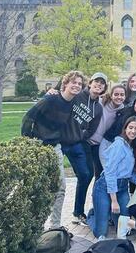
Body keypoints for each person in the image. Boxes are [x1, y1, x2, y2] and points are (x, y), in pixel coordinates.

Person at [21, 70, 83, 228]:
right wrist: (28, 142)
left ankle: (55, 226)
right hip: (38, 147)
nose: (76, 86)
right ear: (65, 83)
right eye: (73, 82)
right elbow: (28, 118)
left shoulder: (73, 103)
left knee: (61, 187)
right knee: (37, 187)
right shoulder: (50, 99)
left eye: (79, 84)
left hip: (55, 147)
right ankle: (32, 225)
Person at [89, 116, 136, 240]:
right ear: (125, 128)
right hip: (105, 187)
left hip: (123, 188)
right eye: (130, 128)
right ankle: (92, 215)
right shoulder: (119, 144)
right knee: (101, 233)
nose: (133, 131)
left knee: (123, 227)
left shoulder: (130, 146)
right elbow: (110, 172)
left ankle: (105, 211)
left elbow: (128, 173)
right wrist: (114, 200)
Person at [63, 72, 106, 224]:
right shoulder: (77, 95)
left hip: (79, 143)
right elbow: (62, 97)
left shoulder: (98, 108)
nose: (98, 85)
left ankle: (78, 212)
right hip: (62, 139)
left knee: (86, 175)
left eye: (102, 83)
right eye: (96, 82)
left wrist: (79, 136)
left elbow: (91, 129)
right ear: (90, 83)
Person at [90, 84, 126, 179]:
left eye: (122, 95)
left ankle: (97, 193)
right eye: (116, 94)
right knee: (88, 173)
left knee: (100, 172)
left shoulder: (123, 110)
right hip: (89, 140)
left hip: (102, 144)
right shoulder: (101, 102)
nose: (119, 97)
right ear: (111, 95)